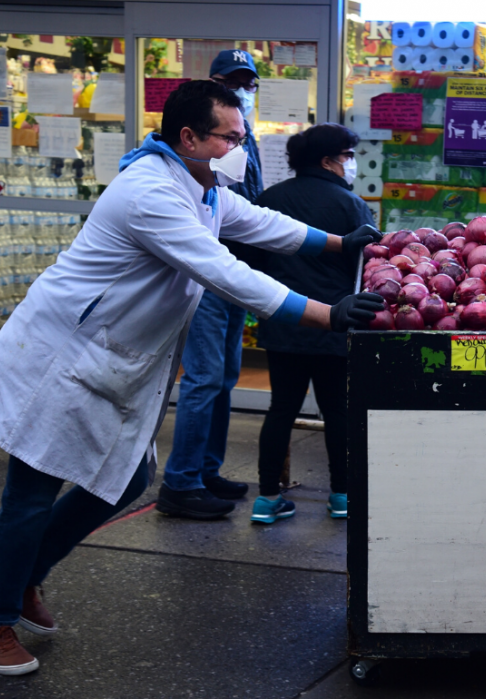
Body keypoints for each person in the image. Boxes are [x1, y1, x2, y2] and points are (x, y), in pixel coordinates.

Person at [0, 80, 383, 676]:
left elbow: (257, 222)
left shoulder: (202, 185)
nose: (240, 149)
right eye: (230, 138)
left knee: (128, 476)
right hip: (60, 357)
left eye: (243, 137)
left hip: (106, 358)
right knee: (30, 493)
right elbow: (223, 270)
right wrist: (325, 315)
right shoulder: (149, 192)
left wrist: (341, 242)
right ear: (189, 137)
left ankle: (22, 570)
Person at [157, 49, 266, 520]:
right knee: (203, 378)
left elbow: (249, 209)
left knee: (223, 377)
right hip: (207, 273)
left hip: (235, 270)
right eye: (231, 82)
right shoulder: (195, 148)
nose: (241, 91)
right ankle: (181, 483)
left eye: (249, 84)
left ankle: (206, 470)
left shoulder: (244, 138)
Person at [250, 124, 375, 524]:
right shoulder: (351, 206)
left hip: (282, 321)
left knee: (280, 409)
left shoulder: (269, 199)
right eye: (348, 155)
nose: (351, 164)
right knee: (337, 410)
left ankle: (267, 498)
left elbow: (250, 262)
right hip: (334, 322)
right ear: (328, 161)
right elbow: (367, 268)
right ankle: (341, 495)